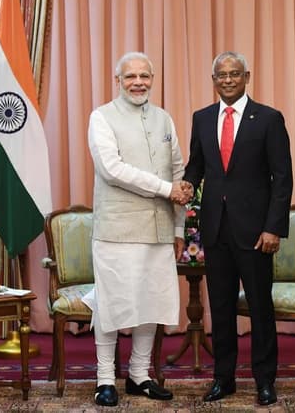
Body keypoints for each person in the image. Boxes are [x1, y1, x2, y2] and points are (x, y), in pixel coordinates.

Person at [183, 51, 293, 406]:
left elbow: (282, 179)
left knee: (260, 308)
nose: (228, 80)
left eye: (234, 74)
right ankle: (223, 378)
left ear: (246, 76)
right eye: (221, 75)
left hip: (257, 233)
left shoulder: (269, 119)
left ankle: (265, 380)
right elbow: (196, 166)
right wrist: (186, 184)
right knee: (221, 308)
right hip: (215, 230)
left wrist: (273, 228)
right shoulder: (202, 118)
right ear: (213, 80)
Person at [84, 51, 192, 407]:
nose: (138, 83)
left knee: (151, 303)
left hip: (159, 229)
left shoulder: (164, 119)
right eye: (130, 76)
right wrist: (166, 189)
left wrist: (179, 228)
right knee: (112, 304)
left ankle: (139, 375)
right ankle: (104, 379)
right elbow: (112, 169)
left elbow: (177, 171)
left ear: (152, 79)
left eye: (144, 76)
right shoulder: (101, 117)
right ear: (118, 80)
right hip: (117, 229)